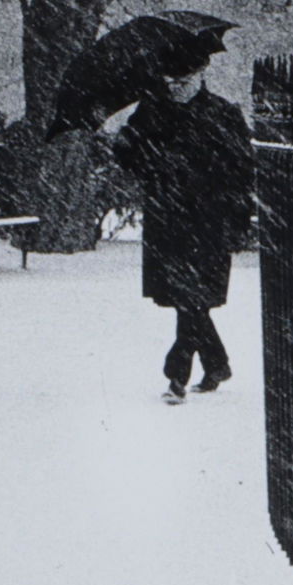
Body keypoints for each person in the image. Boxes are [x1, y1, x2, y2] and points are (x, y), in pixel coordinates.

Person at [112, 42, 254, 400]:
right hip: (168, 218)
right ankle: (217, 363)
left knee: (193, 298)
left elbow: (242, 170)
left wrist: (236, 218)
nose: (176, 84)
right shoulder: (151, 111)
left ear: (202, 73)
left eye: (184, 77)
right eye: (170, 78)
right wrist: (129, 147)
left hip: (210, 220)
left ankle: (177, 375)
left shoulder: (223, 113)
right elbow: (131, 157)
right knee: (187, 299)